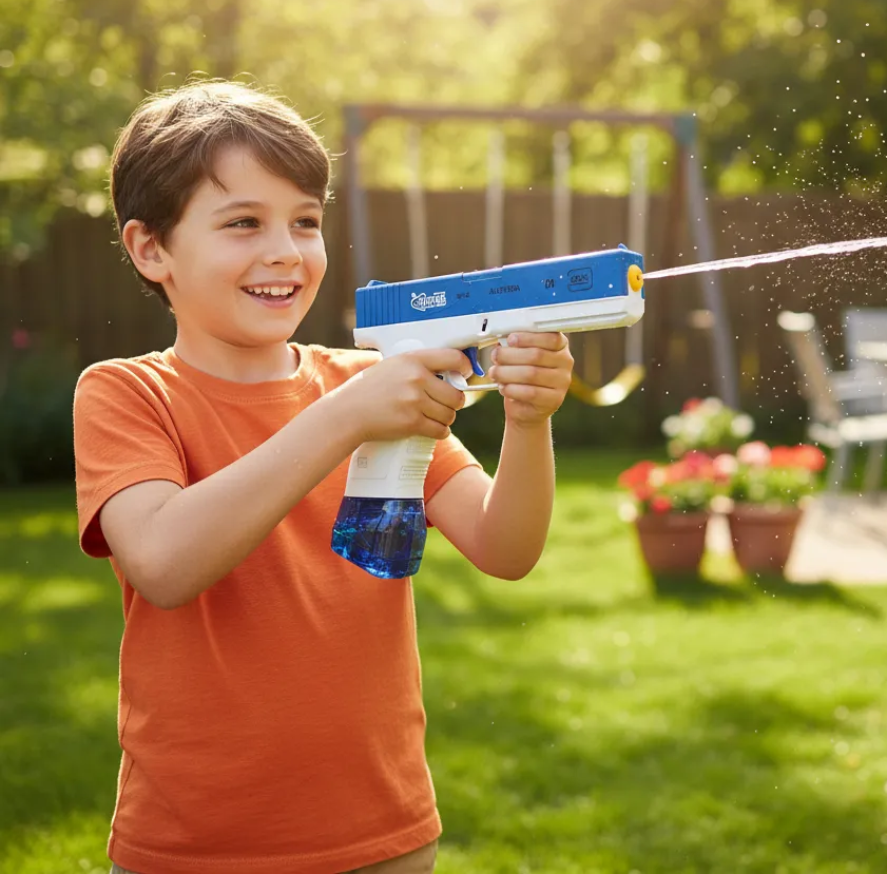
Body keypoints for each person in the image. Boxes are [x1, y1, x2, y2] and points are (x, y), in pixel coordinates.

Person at [73, 81, 574, 874]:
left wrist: (528, 419)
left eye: (306, 222)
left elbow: (504, 547)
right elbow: (164, 565)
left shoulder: (371, 383)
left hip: (384, 833)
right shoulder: (127, 394)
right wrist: (345, 416)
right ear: (151, 249)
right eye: (244, 223)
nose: (286, 251)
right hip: (193, 847)